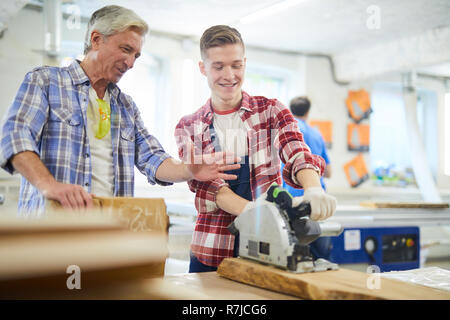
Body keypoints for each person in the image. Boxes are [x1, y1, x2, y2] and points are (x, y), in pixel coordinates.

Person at [0, 6, 240, 214]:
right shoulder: (46, 82)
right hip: (52, 225)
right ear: (96, 40)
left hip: (107, 232)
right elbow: (14, 136)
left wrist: (188, 170)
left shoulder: (126, 107)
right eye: (125, 50)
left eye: (136, 55)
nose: (131, 63)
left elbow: (152, 158)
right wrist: (49, 185)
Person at [175, 25, 337, 272]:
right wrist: (252, 211)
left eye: (236, 65)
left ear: (245, 63)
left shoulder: (270, 111)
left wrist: (313, 188)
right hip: (212, 249)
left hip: (269, 246)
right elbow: (208, 188)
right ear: (202, 68)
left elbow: (296, 151)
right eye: (218, 66)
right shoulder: (189, 126)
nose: (229, 75)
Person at [281, 96, 333, 260]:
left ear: (290, 110)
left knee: (294, 258)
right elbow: (329, 172)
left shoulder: (287, 133)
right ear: (308, 112)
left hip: (292, 203)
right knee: (320, 259)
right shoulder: (317, 135)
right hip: (318, 203)